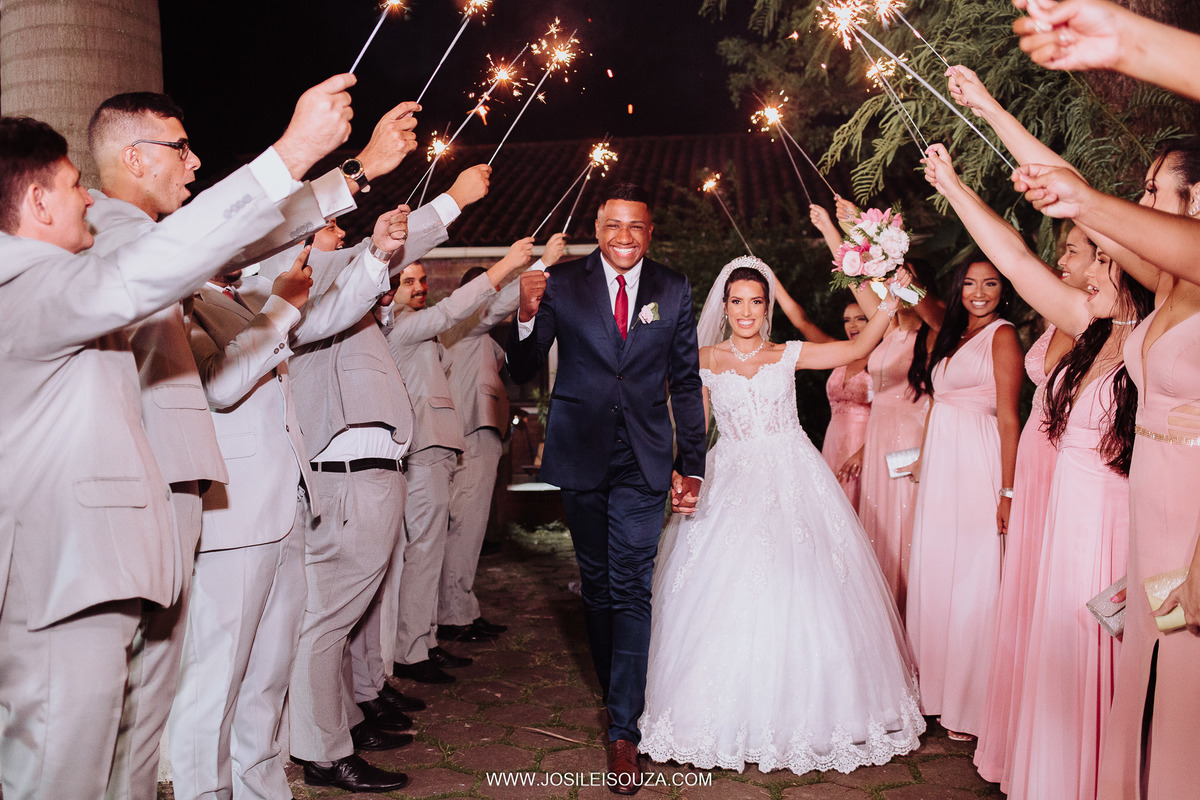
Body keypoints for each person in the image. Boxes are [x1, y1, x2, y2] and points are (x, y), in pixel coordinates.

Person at [0, 75, 353, 800]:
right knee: (57, 777)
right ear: (37, 202)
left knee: (122, 755)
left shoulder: (56, 283)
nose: (89, 198)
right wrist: (288, 155)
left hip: (106, 569)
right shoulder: (27, 289)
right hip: (61, 582)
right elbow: (150, 267)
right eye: (73, 187)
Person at [82, 90, 418, 800]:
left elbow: (240, 248)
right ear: (134, 156)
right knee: (213, 689)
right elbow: (218, 381)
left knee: (263, 683)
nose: (195, 161)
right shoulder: (113, 239)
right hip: (221, 512)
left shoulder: (207, 284)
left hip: (278, 505)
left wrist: (353, 180)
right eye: (181, 147)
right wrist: (336, 168)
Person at [926, 142, 1153, 799]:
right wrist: (955, 188)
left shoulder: (1147, 342)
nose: (1083, 271)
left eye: (1101, 259)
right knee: (1054, 648)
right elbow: (1015, 259)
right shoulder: (1087, 329)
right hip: (1062, 513)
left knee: (1098, 654)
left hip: (1113, 519)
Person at [639, 258, 924, 775]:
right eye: (737, 302)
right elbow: (695, 429)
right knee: (721, 588)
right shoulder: (702, 357)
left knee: (807, 585)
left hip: (793, 473)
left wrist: (891, 298)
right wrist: (681, 473)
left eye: (756, 301)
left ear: (767, 308)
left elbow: (859, 349)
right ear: (723, 308)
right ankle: (716, 715)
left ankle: (817, 715)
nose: (746, 311)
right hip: (730, 474)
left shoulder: (787, 353)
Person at [505, 183, 708, 794]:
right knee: (596, 586)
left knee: (631, 585)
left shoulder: (673, 288)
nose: (624, 237)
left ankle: (625, 730)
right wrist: (523, 310)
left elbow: (685, 379)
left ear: (651, 233)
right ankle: (615, 682)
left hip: (644, 458)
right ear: (598, 227)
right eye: (613, 225)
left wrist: (693, 463)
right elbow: (522, 366)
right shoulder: (563, 283)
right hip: (581, 452)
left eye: (636, 227)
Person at [1015, 136, 1200, 800]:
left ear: (1196, 196)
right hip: (1148, 508)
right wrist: (988, 114)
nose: (1142, 202)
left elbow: (1091, 205)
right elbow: (1084, 206)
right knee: (1146, 687)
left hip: (1189, 507)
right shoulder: (1170, 282)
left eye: (1153, 190)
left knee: (1187, 689)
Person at [385, 239, 535, 684]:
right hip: (424, 449)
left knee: (428, 551)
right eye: (408, 281)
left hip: (439, 447)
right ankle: (413, 649)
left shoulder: (423, 330)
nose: (419, 286)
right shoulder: (404, 327)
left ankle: (424, 642)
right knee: (423, 551)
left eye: (422, 279)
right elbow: (462, 312)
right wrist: (519, 266)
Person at [905, 257, 1024, 742]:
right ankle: (933, 691)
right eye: (970, 283)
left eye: (990, 283)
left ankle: (971, 704)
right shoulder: (952, 333)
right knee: (936, 572)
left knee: (975, 578)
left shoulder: (1003, 335)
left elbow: (1010, 418)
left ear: (1003, 289)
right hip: (941, 469)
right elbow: (925, 304)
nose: (979, 292)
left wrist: (1008, 490)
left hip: (978, 464)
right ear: (958, 289)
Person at [438, 233, 568, 642]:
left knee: (471, 528)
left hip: (484, 435)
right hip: (469, 436)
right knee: (463, 527)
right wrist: (540, 264)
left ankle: (462, 607)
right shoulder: (463, 324)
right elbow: (497, 308)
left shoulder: (479, 339)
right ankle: (453, 615)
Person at [772, 287, 873, 509]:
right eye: (847, 320)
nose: (853, 326)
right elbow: (802, 322)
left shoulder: (883, 359)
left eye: (860, 319)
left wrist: (865, 452)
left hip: (866, 444)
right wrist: (771, 279)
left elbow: (888, 412)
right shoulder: (839, 352)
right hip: (834, 442)